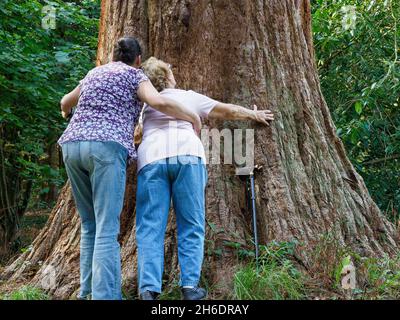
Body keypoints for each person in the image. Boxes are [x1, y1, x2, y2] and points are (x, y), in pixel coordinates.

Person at [57, 38, 201, 300]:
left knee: (89, 224)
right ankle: (105, 297)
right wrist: (192, 116)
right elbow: (159, 103)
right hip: (106, 149)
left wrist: (69, 114)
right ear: (138, 59)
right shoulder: (135, 76)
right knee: (106, 228)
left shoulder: (94, 72)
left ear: (113, 56)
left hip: (71, 146)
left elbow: (66, 102)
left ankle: (86, 292)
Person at [136, 57, 274, 300]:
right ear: (167, 77)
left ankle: (149, 289)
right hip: (187, 155)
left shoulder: (145, 104)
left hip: (152, 159)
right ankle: (189, 287)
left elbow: (136, 133)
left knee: (150, 226)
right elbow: (227, 110)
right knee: (191, 222)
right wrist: (253, 114)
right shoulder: (188, 97)